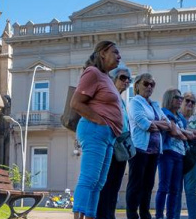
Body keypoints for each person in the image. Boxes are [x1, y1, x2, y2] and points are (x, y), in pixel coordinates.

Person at [70, 41, 124, 219]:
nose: (119, 56)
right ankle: (78, 216)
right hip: (95, 130)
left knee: (99, 183)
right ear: (102, 53)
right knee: (89, 178)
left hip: (108, 135)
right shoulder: (92, 72)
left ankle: (91, 216)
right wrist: (101, 121)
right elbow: (76, 103)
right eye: (115, 52)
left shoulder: (106, 77)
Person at [126, 73, 173, 219]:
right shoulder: (135, 102)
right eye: (146, 83)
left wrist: (156, 124)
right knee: (136, 184)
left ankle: (145, 213)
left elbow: (169, 124)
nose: (149, 87)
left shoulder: (154, 105)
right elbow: (145, 124)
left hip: (154, 151)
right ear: (137, 85)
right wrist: (158, 124)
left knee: (148, 185)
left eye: (152, 84)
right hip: (139, 149)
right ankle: (132, 214)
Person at [97, 66, 134, 219]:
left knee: (115, 185)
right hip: (110, 144)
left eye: (128, 80)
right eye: (123, 78)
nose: (126, 82)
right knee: (106, 184)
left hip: (121, 146)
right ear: (113, 78)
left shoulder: (122, 100)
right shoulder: (108, 95)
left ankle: (109, 215)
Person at [156, 88, 191, 219]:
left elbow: (183, 133)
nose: (180, 100)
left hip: (180, 154)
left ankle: (171, 216)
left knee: (175, 190)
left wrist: (183, 133)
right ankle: (159, 215)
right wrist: (184, 133)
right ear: (170, 99)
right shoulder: (164, 113)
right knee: (164, 187)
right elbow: (174, 132)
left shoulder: (180, 117)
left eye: (181, 97)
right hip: (167, 152)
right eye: (177, 97)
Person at [175, 92, 196, 219]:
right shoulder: (176, 117)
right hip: (177, 155)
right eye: (187, 100)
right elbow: (173, 131)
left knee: (190, 190)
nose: (189, 103)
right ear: (182, 101)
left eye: (193, 102)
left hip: (193, 158)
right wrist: (192, 134)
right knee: (176, 190)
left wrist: (183, 131)